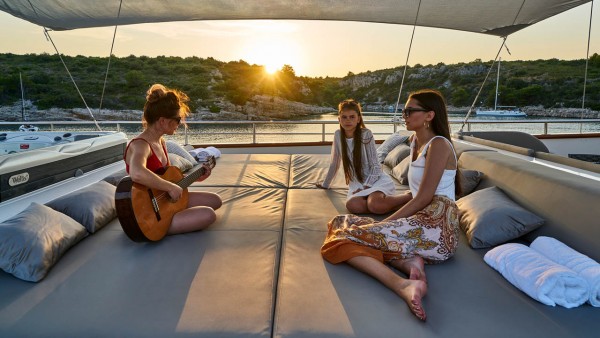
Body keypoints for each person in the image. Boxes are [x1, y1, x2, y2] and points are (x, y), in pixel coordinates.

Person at [321, 89, 460, 321]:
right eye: (403, 111)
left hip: (438, 226)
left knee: (339, 241)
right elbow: (414, 190)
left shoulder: (439, 145)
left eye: (409, 111)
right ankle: (408, 262)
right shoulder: (416, 141)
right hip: (420, 219)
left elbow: (424, 198)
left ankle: (401, 285)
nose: (403, 115)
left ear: (429, 115)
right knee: (339, 221)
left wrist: (383, 225)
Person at [124, 83, 222, 235]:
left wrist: (196, 178)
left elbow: (166, 179)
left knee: (215, 200)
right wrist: (170, 188)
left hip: (164, 202)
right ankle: (155, 227)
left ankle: (171, 213)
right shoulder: (140, 145)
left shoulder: (161, 142)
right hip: (147, 214)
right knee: (208, 214)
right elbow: (137, 173)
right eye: (177, 119)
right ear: (162, 121)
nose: (180, 123)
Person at [316, 99, 405, 214]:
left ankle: (408, 196)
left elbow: (375, 165)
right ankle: (381, 205)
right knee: (353, 206)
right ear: (339, 119)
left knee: (375, 204)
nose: (348, 120)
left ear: (358, 119)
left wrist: (366, 187)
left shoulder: (366, 134)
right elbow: (335, 162)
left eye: (352, 117)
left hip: (375, 180)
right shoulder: (338, 135)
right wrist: (326, 184)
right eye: (344, 117)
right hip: (357, 183)